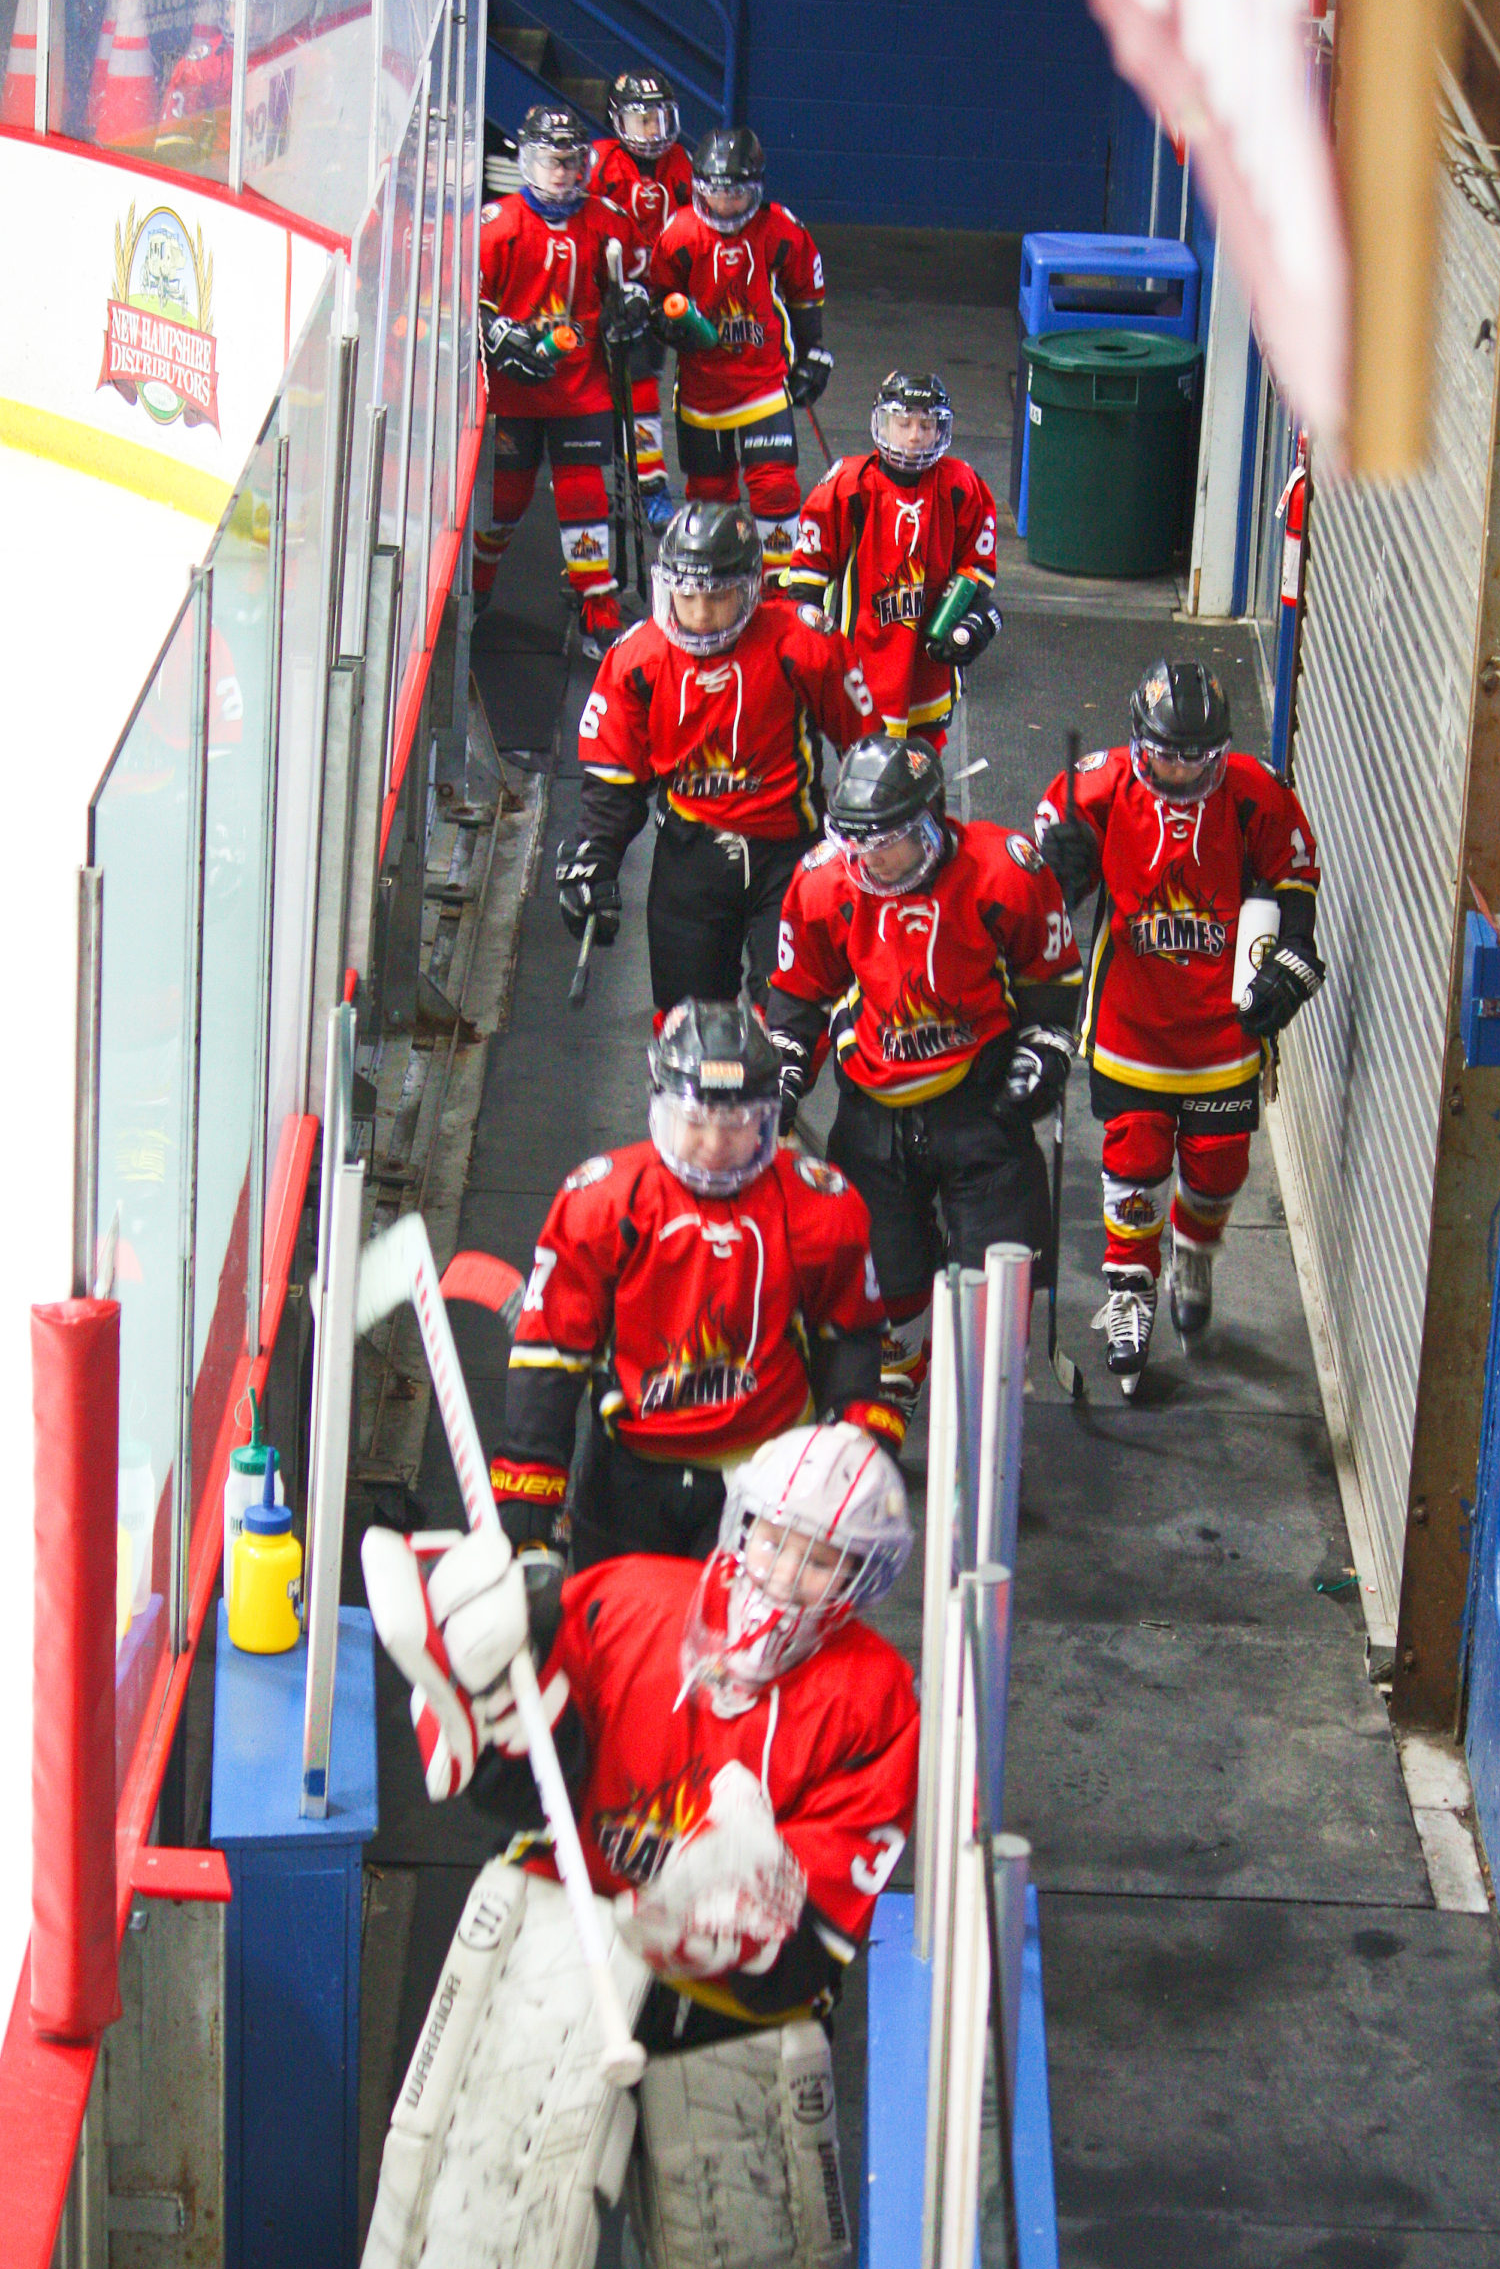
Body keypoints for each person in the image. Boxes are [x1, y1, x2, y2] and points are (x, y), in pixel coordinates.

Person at [312, 1421, 918, 2269]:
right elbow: (520, 1787)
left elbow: (820, 1922)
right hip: (561, 1942)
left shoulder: (874, 1699)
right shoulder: (627, 1597)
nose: (785, 1573)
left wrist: (752, 1900)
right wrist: (487, 1691)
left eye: (821, 1559)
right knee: (466, 2263)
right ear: (741, 1525)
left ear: (861, 1578)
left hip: (727, 2011)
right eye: (775, 1538)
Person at [490, 996, 901, 1579]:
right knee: (618, 1631)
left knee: (746, 1635)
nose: (713, 1145)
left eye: (735, 1124)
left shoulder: (820, 1205)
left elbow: (851, 1337)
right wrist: (530, 1502)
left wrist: (859, 1448)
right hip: (627, 1480)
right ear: (660, 1108)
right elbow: (551, 1356)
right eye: (695, 1120)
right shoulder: (601, 1203)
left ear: (768, 1117)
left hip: (768, 1483)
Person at [766, 736, 1081, 1423]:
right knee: (886, 1272)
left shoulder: (1004, 871)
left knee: (997, 1282)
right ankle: (899, 1372)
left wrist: (1045, 1051)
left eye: (889, 841)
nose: (871, 858)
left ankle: (983, 1392)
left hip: (982, 1105)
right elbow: (798, 994)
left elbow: (1050, 978)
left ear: (931, 820)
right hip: (873, 1112)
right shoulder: (823, 882)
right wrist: (784, 1069)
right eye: (856, 842)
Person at [1035, 660, 1325, 1389]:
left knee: (1218, 1164)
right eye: (1166, 753)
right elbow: (1042, 892)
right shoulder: (1097, 787)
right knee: (1133, 1158)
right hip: (1131, 1021)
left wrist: (1294, 953)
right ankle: (1128, 1289)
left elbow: (1293, 877)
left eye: (1198, 756)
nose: (1181, 769)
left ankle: (1194, 1251)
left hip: (1221, 1028)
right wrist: (1061, 867)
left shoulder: (1253, 793)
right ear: (1139, 740)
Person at [556, 500, 874, 1014]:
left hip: (791, 858)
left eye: (719, 596)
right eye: (687, 595)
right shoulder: (637, 658)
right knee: (687, 1026)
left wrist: (872, 844)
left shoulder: (805, 643)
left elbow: (869, 753)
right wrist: (594, 854)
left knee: (792, 1015)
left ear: (750, 589)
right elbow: (614, 778)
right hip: (689, 859)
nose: (701, 615)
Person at [472, 103, 651, 657]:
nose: (560, 172)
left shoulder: (608, 220)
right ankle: (476, 589)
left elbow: (637, 283)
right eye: (549, 161)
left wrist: (632, 309)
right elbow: (465, 298)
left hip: (582, 385)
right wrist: (495, 331)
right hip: (513, 392)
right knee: (503, 504)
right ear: (526, 161)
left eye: (571, 161)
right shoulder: (496, 224)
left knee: (585, 498)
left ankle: (599, 612)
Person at [649, 127, 832, 586]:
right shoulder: (679, 233)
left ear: (756, 188)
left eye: (736, 193)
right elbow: (660, 297)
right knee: (709, 495)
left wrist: (813, 353)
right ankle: (721, 584)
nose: (725, 204)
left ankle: (780, 587)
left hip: (762, 381)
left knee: (776, 487)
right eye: (715, 192)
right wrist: (664, 323)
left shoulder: (780, 228)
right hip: (702, 388)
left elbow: (806, 293)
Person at [785, 372, 1002, 751]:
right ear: (882, 424)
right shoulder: (847, 486)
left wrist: (974, 621)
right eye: (903, 424)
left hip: (927, 671)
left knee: (923, 768)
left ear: (941, 430)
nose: (914, 436)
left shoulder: (961, 486)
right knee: (862, 773)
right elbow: (807, 580)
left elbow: (977, 572)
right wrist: (810, 647)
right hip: (861, 670)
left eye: (926, 425)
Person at [587, 70, 693, 531]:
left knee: (644, 388)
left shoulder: (682, 163)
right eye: (641, 119)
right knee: (595, 394)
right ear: (618, 120)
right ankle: (599, 482)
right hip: (602, 295)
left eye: (659, 118)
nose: (652, 130)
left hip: (656, 297)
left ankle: (649, 485)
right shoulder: (598, 161)